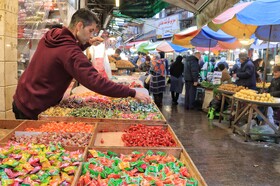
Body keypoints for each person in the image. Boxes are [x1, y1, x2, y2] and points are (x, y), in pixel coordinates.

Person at [12, 8, 150, 120]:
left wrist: (86, 44)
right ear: (79, 26)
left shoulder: (53, 34)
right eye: (90, 31)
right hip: (33, 108)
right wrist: (131, 92)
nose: (91, 36)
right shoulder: (70, 51)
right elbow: (95, 81)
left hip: (21, 97)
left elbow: (65, 52)